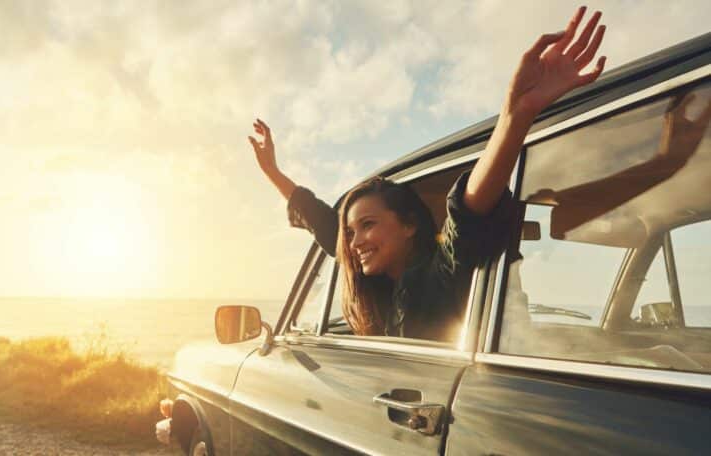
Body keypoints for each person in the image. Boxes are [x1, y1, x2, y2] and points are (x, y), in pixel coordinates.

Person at [248, 7, 607, 341]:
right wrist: (273, 172)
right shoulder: (377, 282)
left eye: (368, 224)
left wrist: (516, 116)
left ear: (409, 225)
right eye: (352, 231)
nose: (355, 242)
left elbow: (466, 217)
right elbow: (324, 225)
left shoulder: (437, 280)